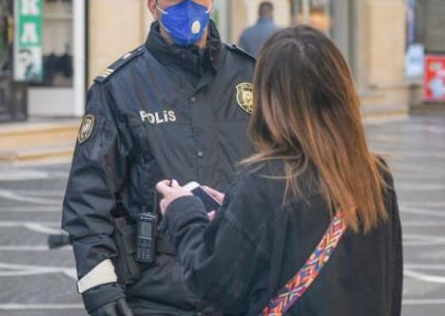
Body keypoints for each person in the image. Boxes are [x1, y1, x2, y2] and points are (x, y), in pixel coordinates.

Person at [62, 0, 256, 316]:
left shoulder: (251, 76)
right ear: (153, 5)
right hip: (157, 295)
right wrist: (101, 291)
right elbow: (88, 201)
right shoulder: (119, 87)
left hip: (241, 289)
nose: (188, 4)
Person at [156, 26, 403, 316]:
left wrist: (183, 212)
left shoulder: (265, 183)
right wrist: (234, 213)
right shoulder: (375, 175)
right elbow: (388, 284)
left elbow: (212, 282)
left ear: (270, 98)